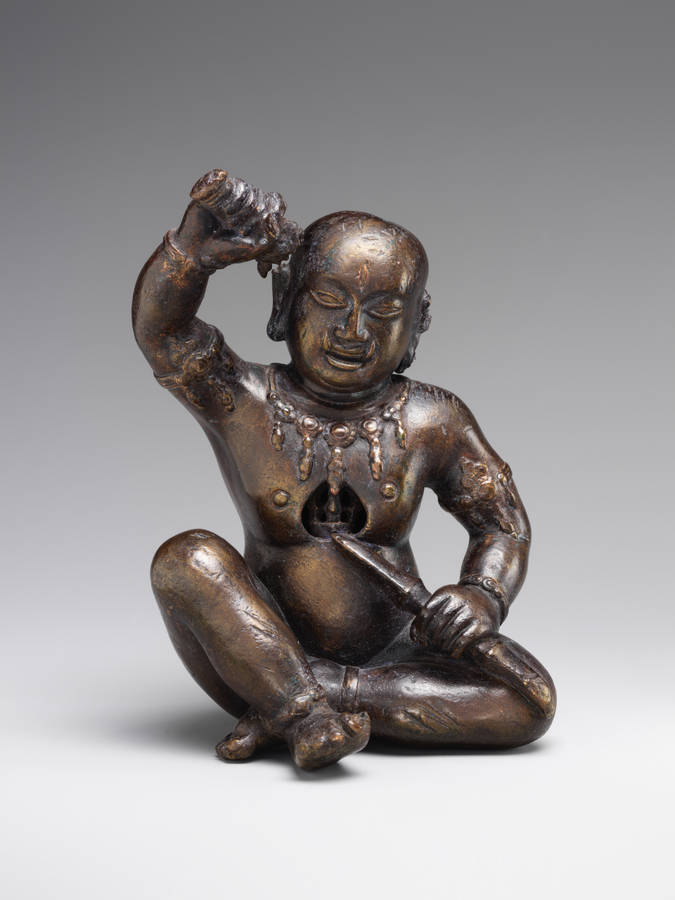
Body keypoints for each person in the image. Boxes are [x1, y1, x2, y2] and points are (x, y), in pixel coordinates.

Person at [132, 172, 555, 770]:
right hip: (260, 644)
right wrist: (190, 254)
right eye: (329, 303)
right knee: (187, 559)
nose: (353, 331)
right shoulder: (243, 399)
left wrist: (482, 594)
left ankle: (305, 699)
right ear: (285, 301)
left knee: (530, 701)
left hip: (395, 653)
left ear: (417, 325)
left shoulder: (433, 419)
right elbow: (164, 334)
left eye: (384, 312)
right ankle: (303, 711)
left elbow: (501, 524)